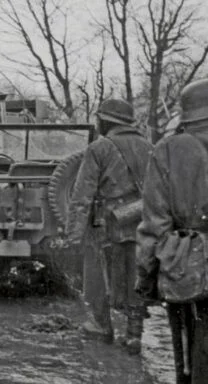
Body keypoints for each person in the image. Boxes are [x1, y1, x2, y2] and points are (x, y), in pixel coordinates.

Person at [65, 98, 152, 355]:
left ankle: (101, 326)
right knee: (136, 276)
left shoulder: (99, 148)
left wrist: (73, 236)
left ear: (106, 120)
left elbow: (82, 196)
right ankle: (134, 334)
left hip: (108, 223)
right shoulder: (150, 147)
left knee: (97, 276)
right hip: (142, 222)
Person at [136, 79, 208, 383]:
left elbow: (155, 223)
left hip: (190, 268)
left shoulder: (170, 149)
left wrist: (147, 276)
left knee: (193, 361)